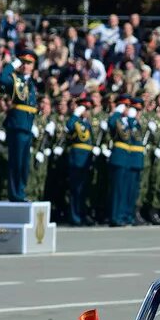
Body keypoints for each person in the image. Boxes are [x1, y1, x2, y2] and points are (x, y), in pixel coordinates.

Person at [0, 48, 38, 201]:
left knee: (24, 163)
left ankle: (21, 192)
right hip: (18, 125)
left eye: (29, 63)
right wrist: (12, 64)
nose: (26, 65)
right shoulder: (15, 79)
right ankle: (15, 194)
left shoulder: (32, 83)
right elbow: (2, 78)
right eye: (24, 62)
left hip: (27, 126)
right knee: (16, 161)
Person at [65, 94, 94, 225]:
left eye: (88, 109)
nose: (86, 111)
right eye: (84, 108)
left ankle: (82, 214)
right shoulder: (75, 121)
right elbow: (69, 126)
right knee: (75, 189)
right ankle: (75, 216)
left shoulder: (89, 123)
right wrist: (76, 114)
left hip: (87, 159)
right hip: (77, 158)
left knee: (84, 189)